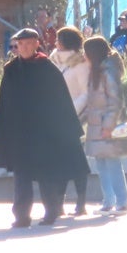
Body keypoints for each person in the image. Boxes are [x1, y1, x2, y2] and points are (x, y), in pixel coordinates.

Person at [0, 27, 90, 227]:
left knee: (47, 175)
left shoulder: (47, 68)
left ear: (37, 44)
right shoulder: (11, 69)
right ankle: (21, 216)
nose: (24, 47)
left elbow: (60, 102)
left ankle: (51, 212)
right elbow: (5, 103)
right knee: (21, 176)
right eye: (20, 44)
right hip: (21, 133)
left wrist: (60, 130)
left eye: (29, 43)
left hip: (43, 133)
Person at [80, 36, 127, 215]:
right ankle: (109, 201)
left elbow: (115, 100)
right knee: (102, 164)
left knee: (112, 164)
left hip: (106, 126)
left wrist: (108, 125)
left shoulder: (108, 72)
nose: (83, 56)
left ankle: (122, 202)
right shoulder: (98, 71)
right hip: (97, 126)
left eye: (85, 52)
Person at [49, 26, 91, 215]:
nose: (55, 42)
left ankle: (80, 202)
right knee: (57, 162)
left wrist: (70, 111)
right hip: (54, 118)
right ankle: (58, 204)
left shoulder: (80, 63)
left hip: (73, 119)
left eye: (59, 39)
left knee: (76, 162)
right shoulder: (52, 61)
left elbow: (86, 93)